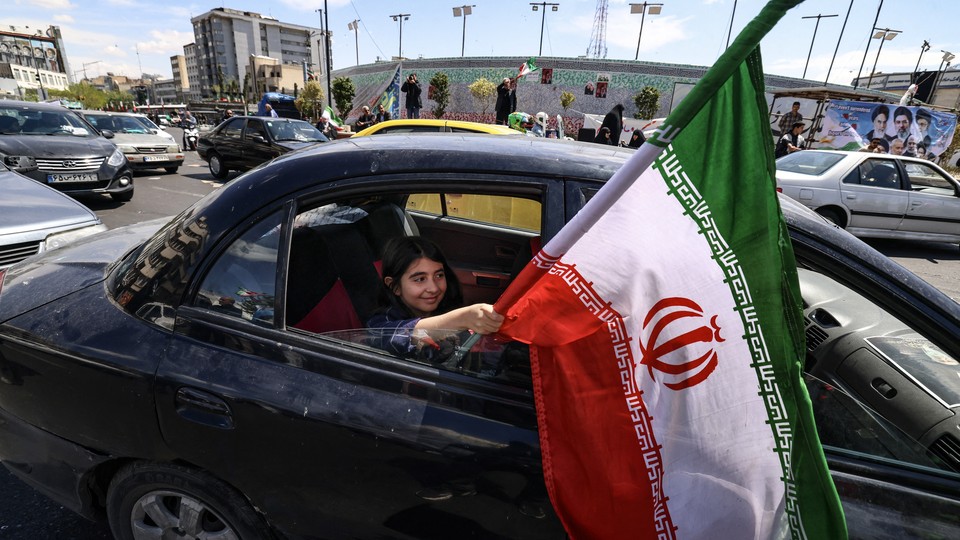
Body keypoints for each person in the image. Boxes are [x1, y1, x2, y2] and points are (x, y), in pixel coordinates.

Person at [367, 236, 503, 358]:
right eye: (420, 279)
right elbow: (393, 336)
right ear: (394, 286)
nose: (434, 288)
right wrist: (463, 318)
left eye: (439, 276)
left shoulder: (444, 308)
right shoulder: (380, 323)